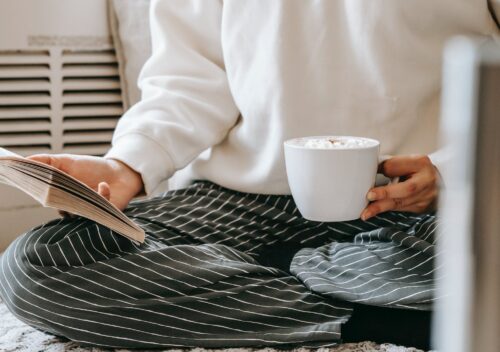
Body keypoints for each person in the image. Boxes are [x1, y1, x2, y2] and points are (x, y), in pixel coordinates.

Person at [1, 0, 498, 350]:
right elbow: (188, 80)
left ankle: (255, 271)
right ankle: (375, 311)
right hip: (243, 202)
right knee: (39, 266)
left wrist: (450, 171)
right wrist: (125, 165)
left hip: (420, 207)